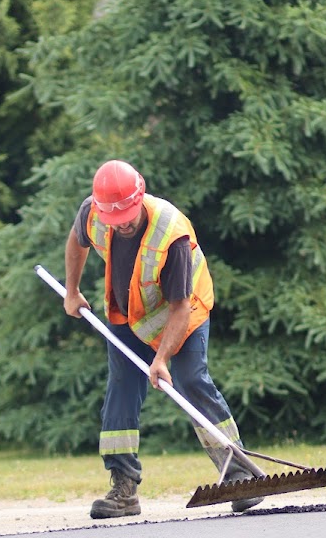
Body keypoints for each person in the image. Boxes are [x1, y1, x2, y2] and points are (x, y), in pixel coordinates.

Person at [63, 159, 263, 519]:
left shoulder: (171, 234)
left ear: (140, 197)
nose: (121, 223)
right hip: (130, 316)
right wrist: (72, 291)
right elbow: (77, 243)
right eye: (114, 218)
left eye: (127, 214)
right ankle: (123, 489)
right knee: (121, 387)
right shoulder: (93, 212)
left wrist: (161, 360)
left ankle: (239, 474)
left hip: (183, 313)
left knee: (191, 380)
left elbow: (180, 308)